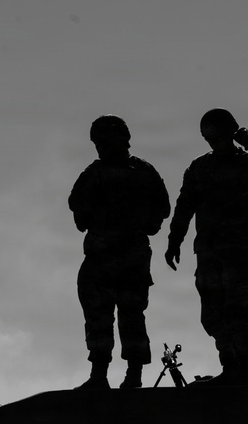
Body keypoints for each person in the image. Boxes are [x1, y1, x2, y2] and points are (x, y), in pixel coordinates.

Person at [164, 108, 248, 386]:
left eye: (218, 136)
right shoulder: (199, 168)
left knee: (241, 312)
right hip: (209, 252)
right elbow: (184, 206)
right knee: (213, 315)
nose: (213, 142)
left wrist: (245, 138)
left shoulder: (245, 163)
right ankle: (229, 366)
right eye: (209, 138)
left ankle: (244, 369)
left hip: (238, 250)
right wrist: (174, 240)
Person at [69, 115, 171, 389]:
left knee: (109, 317)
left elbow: (78, 210)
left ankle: (111, 376)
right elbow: (161, 211)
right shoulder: (144, 172)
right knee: (127, 317)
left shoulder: (97, 173)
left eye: (102, 141)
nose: (101, 147)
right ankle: (121, 376)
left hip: (108, 258)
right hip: (129, 258)